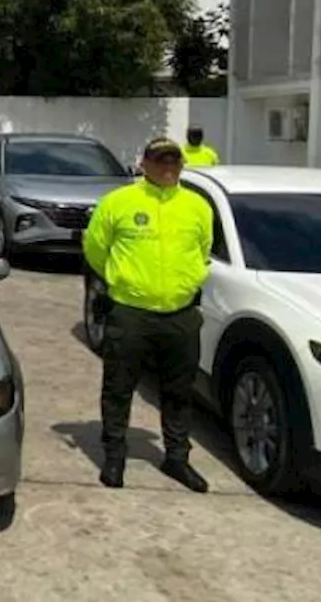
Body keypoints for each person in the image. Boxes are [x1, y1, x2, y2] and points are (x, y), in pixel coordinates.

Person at [83, 136, 213, 494]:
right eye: (160, 160)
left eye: (174, 161)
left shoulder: (197, 206)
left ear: (182, 164)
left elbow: (203, 250)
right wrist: (120, 281)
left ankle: (176, 457)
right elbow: (95, 248)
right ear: (144, 163)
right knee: (118, 387)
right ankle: (114, 455)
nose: (168, 167)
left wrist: (188, 281)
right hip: (130, 313)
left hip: (181, 315)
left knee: (179, 391)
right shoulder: (118, 202)